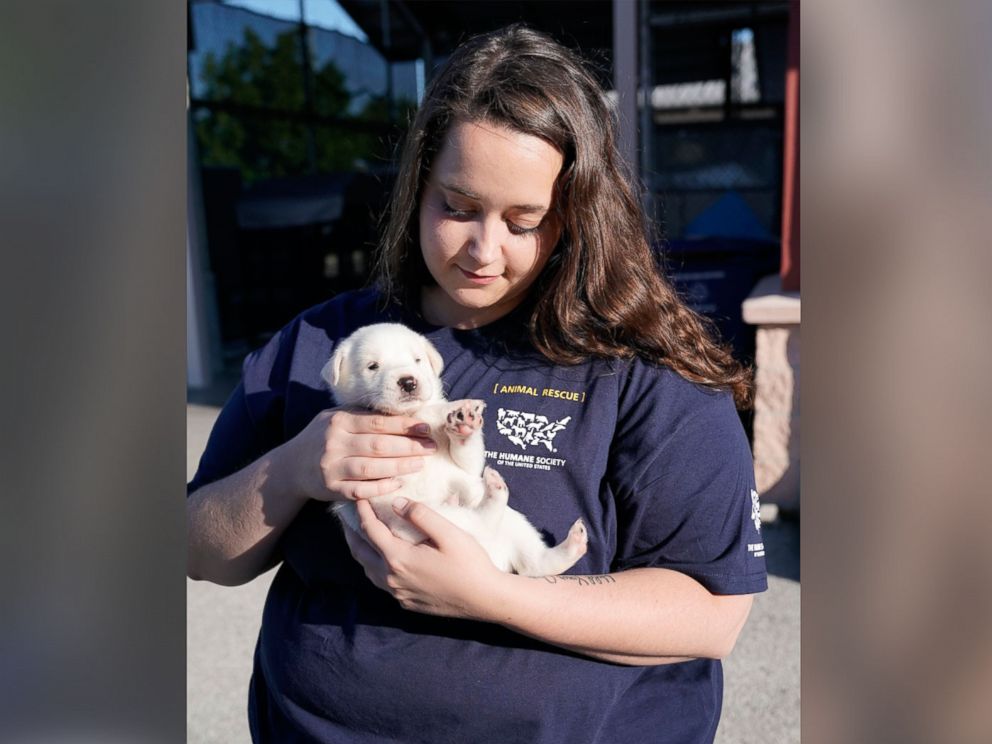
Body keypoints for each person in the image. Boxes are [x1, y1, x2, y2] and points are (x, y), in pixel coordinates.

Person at [188, 24, 767, 744]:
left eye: (524, 221)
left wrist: (494, 596)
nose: (482, 251)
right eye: (457, 208)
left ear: (578, 216)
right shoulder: (326, 345)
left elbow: (711, 613)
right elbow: (199, 548)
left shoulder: (647, 367)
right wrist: (296, 467)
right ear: (415, 187)